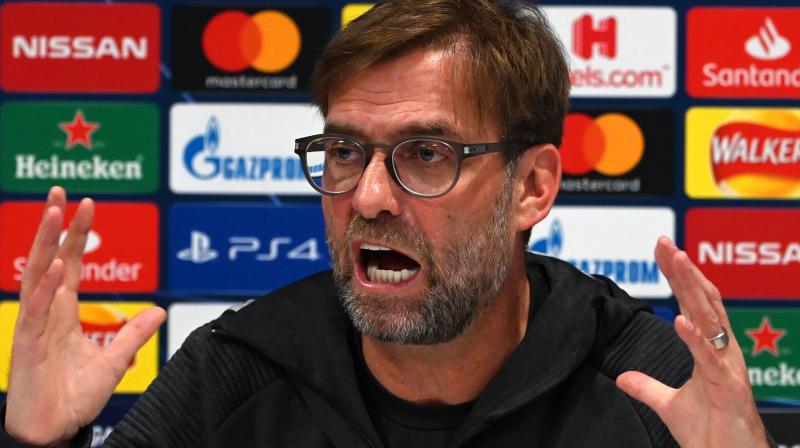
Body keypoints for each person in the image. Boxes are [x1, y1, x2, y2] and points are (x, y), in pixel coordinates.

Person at [2, 0, 771, 447]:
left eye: (425, 153)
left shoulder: (647, 388)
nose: (369, 196)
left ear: (532, 187)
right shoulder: (236, 375)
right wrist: (35, 444)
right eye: (344, 150)